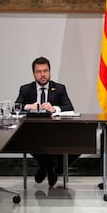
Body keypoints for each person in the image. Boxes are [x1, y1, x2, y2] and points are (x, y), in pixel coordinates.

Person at [15, 56, 75, 187]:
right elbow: (16, 108)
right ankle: (49, 167)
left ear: (50, 71)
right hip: (33, 131)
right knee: (27, 138)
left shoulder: (59, 88)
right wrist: (27, 106)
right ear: (34, 74)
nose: (43, 75)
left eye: (45, 71)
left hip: (54, 131)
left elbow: (69, 107)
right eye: (39, 71)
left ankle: (47, 168)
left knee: (77, 140)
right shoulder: (26, 89)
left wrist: (55, 108)